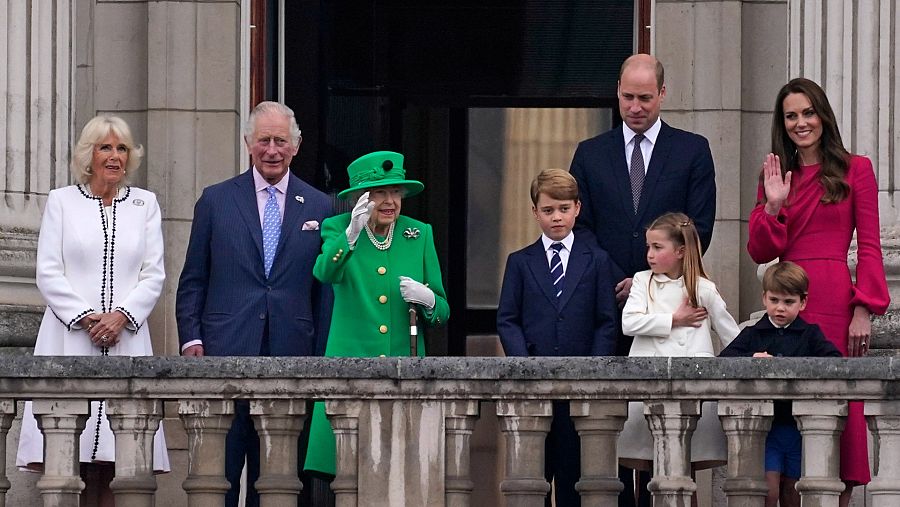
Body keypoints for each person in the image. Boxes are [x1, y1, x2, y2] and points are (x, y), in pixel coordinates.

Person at [176, 101, 334, 507]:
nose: (272, 149)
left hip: (292, 358)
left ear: (296, 146)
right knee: (220, 480)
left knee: (279, 482)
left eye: (281, 140)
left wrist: (321, 359)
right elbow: (194, 279)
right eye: (264, 140)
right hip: (224, 356)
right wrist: (191, 339)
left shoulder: (320, 206)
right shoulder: (215, 200)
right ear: (249, 143)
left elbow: (325, 291)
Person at [748, 77, 890, 506]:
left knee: (838, 410)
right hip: (787, 300)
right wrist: (773, 205)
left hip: (832, 300)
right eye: (791, 115)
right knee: (789, 414)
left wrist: (864, 307)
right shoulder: (774, 174)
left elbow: (869, 244)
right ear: (782, 122)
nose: (801, 122)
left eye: (808, 112)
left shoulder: (855, 168)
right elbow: (760, 250)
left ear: (822, 116)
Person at [16, 115, 170, 506]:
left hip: (127, 339)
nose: (115, 156)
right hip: (70, 339)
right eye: (106, 147)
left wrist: (121, 316)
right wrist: (88, 318)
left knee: (122, 461)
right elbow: (48, 272)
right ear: (89, 154)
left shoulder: (145, 204)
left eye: (121, 148)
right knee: (71, 456)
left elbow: (153, 274)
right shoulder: (61, 202)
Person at [303, 150, 449, 478]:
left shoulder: (419, 233)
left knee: (399, 475)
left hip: (403, 379)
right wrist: (350, 235)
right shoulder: (337, 228)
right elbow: (324, 273)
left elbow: (442, 314)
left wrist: (427, 300)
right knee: (349, 474)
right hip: (349, 373)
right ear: (361, 198)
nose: (390, 201)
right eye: (381, 192)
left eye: (395, 192)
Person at [496, 168, 618, 506]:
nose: (557, 217)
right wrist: (526, 367)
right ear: (535, 212)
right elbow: (508, 319)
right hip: (533, 389)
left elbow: (606, 321)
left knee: (574, 479)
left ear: (577, 208)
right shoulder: (520, 261)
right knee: (531, 480)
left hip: (580, 391)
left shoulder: (597, 260)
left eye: (564, 209)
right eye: (548, 210)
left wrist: (592, 371)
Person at [618, 212, 739, 484]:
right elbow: (629, 322)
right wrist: (674, 320)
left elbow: (730, 332)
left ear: (681, 251)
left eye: (657, 247)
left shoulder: (702, 288)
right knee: (645, 473)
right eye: (648, 246)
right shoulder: (642, 281)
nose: (649, 254)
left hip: (691, 388)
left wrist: (754, 356)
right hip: (647, 384)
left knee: (686, 473)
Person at [720, 261, 842, 507]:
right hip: (768, 428)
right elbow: (723, 361)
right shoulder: (754, 333)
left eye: (788, 302)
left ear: (802, 302)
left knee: (793, 492)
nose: (780, 308)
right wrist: (751, 359)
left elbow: (835, 362)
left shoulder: (810, 333)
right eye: (774, 300)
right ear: (764, 298)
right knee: (769, 492)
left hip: (799, 427)